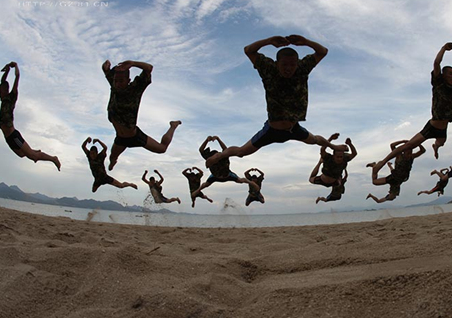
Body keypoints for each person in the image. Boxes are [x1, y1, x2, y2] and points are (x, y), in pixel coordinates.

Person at [204, 35, 347, 167]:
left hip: (293, 128)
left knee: (314, 140)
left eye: (292, 65)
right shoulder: (269, 69)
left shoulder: (302, 69)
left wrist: (306, 42)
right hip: (272, 130)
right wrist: (268, 41)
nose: (288, 69)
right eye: (284, 65)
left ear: (297, 63)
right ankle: (219, 156)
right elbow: (248, 50)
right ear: (277, 63)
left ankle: (334, 146)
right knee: (241, 152)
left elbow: (323, 51)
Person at [370, 42, 452, 174]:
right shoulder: (438, 82)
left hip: (444, 127)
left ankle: (435, 147)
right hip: (432, 126)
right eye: (449, 74)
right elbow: (436, 63)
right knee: (409, 146)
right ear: (443, 75)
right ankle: (381, 163)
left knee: (441, 143)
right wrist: (444, 49)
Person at [102, 59, 181, 170]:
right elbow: (107, 73)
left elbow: (149, 68)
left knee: (162, 149)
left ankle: (173, 126)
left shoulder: (135, 89)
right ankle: (112, 162)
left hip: (134, 136)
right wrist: (105, 68)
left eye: (121, 81)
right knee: (112, 157)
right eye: (116, 81)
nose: (118, 84)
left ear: (128, 80)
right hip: (120, 138)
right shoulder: (115, 86)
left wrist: (133, 63)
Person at [0, 62, 61, 170]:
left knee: (33, 157)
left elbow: (17, 77)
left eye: (0, 91)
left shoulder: (11, 97)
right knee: (22, 154)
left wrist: (15, 66)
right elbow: (3, 81)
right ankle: (32, 151)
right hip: (8, 138)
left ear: (5, 90)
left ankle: (53, 158)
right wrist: (7, 70)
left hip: (13, 136)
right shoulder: (3, 100)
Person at [192, 136, 260, 198]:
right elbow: (201, 150)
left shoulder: (223, 157)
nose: (216, 158)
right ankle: (198, 190)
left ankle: (251, 183)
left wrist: (218, 139)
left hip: (227, 175)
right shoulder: (210, 159)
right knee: (205, 184)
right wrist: (207, 140)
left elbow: (225, 149)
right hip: (215, 176)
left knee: (240, 180)